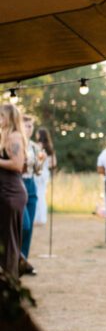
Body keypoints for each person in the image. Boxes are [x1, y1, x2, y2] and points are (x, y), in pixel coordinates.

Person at [0, 103, 28, 277]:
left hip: (11, 193)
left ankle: (11, 282)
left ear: (9, 118)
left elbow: (17, 165)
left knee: (9, 240)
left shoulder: (15, 137)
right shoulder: (5, 136)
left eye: (1, 115)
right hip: (3, 191)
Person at [20, 114, 44, 274]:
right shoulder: (14, 142)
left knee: (29, 229)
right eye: (26, 125)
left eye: (31, 126)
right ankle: (16, 259)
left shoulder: (35, 147)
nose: (29, 129)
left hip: (31, 185)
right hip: (17, 183)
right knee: (24, 224)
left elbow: (37, 170)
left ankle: (23, 262)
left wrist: (41, 161)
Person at [34, 126, 56, 226]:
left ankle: (39, 218)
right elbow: (53, 163)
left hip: (39, 171)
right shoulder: (50, 147)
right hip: (46, 173)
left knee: (38, 195)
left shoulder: (38, 146)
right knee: (42, 195)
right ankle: (42, 218)